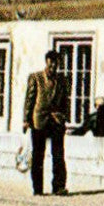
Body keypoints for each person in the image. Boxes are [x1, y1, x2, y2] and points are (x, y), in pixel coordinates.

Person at [23, 50, 70, 196]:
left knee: (58, 154)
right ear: (46, 62)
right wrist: (26, 120)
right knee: (38, 156)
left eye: (56, 64)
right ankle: (38, 189)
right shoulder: (35, 78)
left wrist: (63, 117)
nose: (53, 67)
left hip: (56, 121)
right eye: (51, 63)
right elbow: (29, 100)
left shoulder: (62, 80)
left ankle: (59, 186)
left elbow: (65, 101)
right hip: (39, 121)